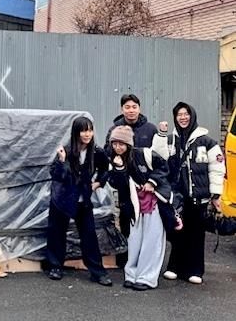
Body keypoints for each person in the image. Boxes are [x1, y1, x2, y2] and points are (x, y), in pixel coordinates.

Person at [107, 126, 182, 290]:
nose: (118, 147)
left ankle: (147, 278)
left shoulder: (144, 154)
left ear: (129, 144)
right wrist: (119, 168)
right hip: (134, 206)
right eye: (115, 143)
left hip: (155, 202)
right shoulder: (114, 160)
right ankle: (131, 275)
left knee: (152, 240)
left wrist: (151, 182)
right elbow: (117, 185)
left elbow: (164, 167)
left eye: (121, 144)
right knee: (134, 241)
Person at [44, 116, 113, 286]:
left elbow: (105, 169)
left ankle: (97, 272)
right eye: (83, 130)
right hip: (62, 198)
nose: (87, 134)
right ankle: (55, 267)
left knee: (89, 234)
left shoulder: (96, 152)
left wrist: (98, 183)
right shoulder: (66, 151)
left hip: (83, 200)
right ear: (76, 132)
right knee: (57, 232)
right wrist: (61, 160)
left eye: (90, 130)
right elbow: (56, 176)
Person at [163, 102, 225, 284]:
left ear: (192, 116)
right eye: (179, 114)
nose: (183, 117)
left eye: (186, 114)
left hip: (199, 196)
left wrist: (215, 195)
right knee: (177, 232)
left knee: (197, 234)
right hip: (178, 197)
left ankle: (196, 270)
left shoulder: (207, 142)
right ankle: (174, 267)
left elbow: (217, 168)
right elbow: (160, 159)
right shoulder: (171, 140)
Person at [104, 93, 158, 268]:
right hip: (123, 183)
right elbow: (107, 152)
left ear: (139, 108)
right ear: (122, 109)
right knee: (125, 219)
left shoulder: (150, 129)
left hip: (146, 185)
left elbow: (158, 157)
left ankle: (143, 257)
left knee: (147, 221)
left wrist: (152, 181)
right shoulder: (114, 129)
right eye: (127, 107)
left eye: (134, 107)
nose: (131, 110)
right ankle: (125, 258)